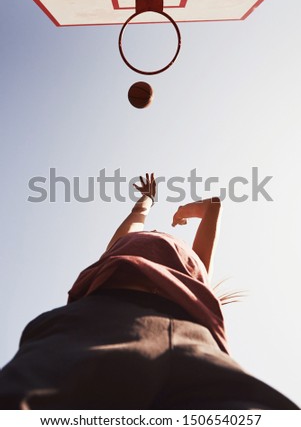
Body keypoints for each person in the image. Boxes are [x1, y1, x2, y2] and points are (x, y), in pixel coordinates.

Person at [0, 174, 298, 410]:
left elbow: (214, 205)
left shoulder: (193, 274)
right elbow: (137, 215)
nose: (159, 236)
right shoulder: (121, 251)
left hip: (188, 334)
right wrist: (148, 198)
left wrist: (183, 211)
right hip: (102, 321)